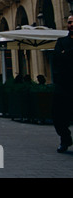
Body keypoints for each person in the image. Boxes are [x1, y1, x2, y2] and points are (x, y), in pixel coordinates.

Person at [52, 15, 73, 153]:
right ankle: (65, 139)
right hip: (64, 85)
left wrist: (66, 54)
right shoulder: (61, 41)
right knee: (58, 116)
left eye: (72, 22)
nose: (70, 24)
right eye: (69, 22)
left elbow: (63, 57)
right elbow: (57, 58)